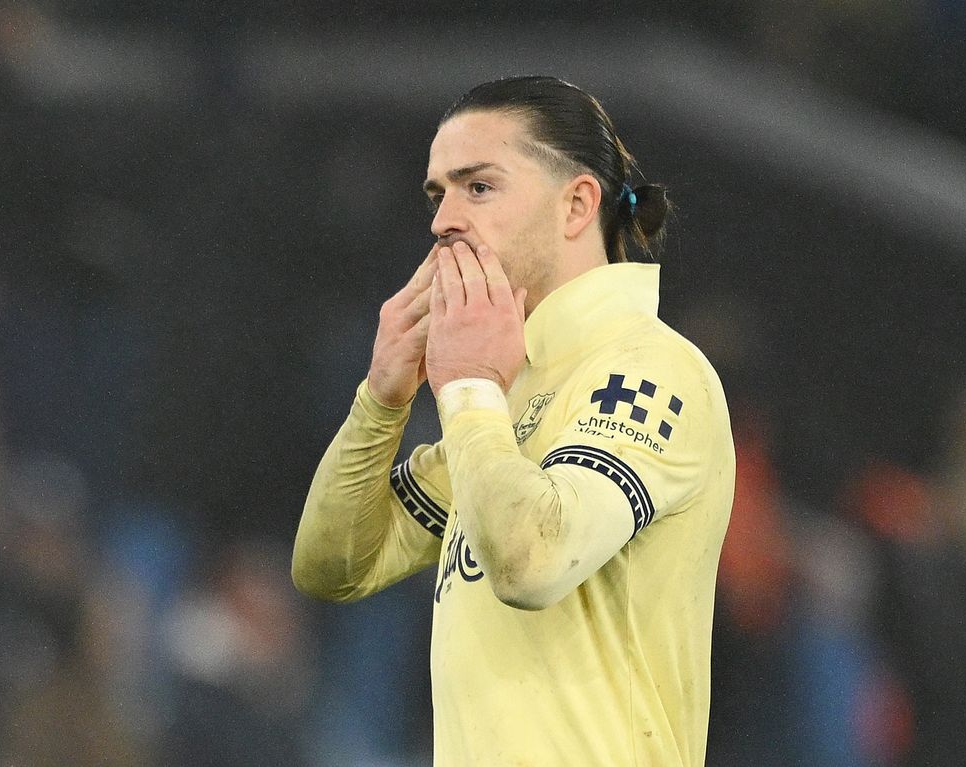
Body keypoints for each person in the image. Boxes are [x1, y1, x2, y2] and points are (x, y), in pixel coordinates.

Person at [292, 76, 735, 766]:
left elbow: (532, 562)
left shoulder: (648, 369)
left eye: (479, 187)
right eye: (437, 195)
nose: (443, 221)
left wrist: (469, 385)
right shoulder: (506, 403)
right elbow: (332, 566)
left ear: (576, 204)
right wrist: (380, 401)